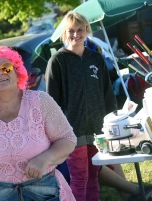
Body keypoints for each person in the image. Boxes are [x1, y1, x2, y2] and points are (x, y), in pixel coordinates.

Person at [0, 46, 77, 201]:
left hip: (44, 192)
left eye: (6, 68)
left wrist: (45, 158)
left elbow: (68, 139)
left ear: (17, 71)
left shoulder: (40, 101)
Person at [45, 11, 118, 201]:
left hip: (98, 129)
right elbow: (52, 102)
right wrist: (56, 132)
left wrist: (112, 121)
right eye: (71, 30)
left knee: (94, 177)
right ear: (64, 33)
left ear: (87, 30)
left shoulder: (96, 59)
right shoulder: (58, 61)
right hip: (71, 132)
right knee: (79, 178)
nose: (75, 34)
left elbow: (107, 92)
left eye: (80, 30)